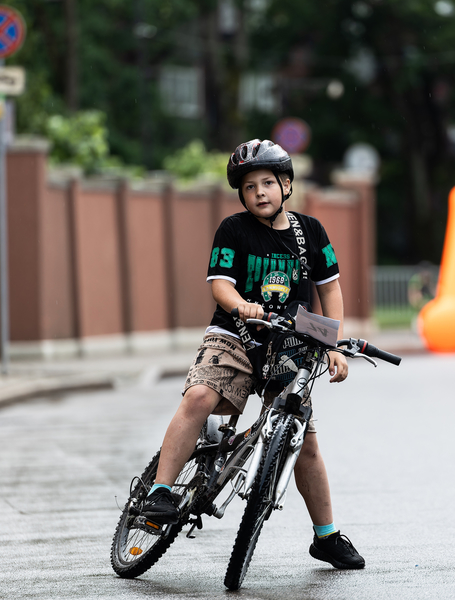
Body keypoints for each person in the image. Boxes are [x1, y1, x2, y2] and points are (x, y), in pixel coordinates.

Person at [140, 139, 365, 570]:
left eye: (267, 183)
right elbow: (219, 284)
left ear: (286, 185)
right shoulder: (233, 229)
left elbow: (329, 289)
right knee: (201, 398)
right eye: (248, 187)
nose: (259, 192)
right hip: (235, 333)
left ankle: (327, 536)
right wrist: (239, 303)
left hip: (292, 344)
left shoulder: (311, 232)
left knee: (304, 442)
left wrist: (334, 343)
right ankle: (160, 493)